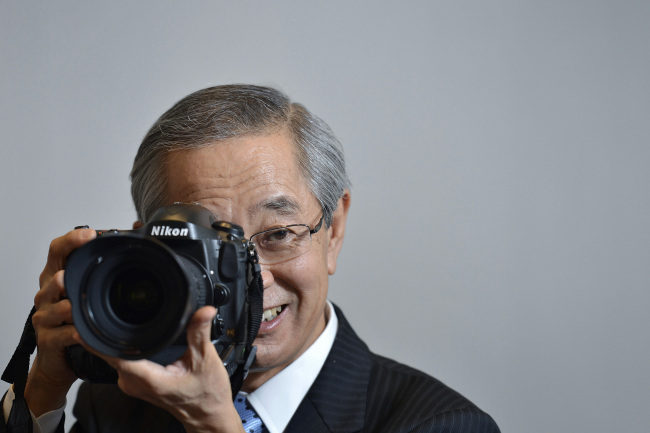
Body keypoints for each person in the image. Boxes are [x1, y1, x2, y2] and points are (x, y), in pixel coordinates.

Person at [2, 84, 500, 433]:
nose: (253, 278)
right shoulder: (118, 400)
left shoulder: (441, 424)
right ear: (150, 247)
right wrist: (42, 391)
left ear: (336, 228)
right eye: (213, 250)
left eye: (279, 234)